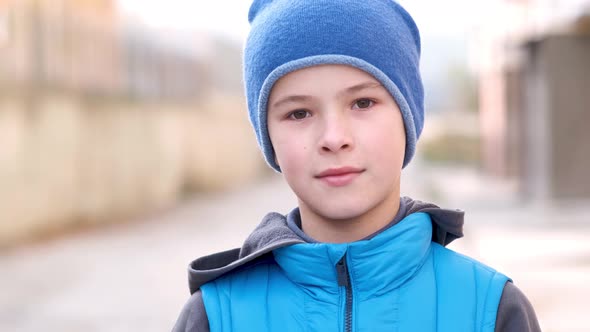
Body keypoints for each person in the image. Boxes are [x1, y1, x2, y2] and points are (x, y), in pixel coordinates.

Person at [172, 0, 541, 331]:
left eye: (363, 103)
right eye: (298, 112)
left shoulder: (490, 310)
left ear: (407, 116)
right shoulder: (216, 316)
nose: (334, 137)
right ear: (267, 136)